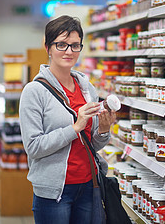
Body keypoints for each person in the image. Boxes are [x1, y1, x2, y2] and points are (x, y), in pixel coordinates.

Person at [19, 15, 115, 224]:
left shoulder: (87, 88)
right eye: (61, 45)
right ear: (48, 47)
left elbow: (93, 144)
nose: (69, 51)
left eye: (75, 45)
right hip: (54, 193)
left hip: (89, 186)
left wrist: (104, 130)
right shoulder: (34, 92)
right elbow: (33, 147)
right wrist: (76, 127)